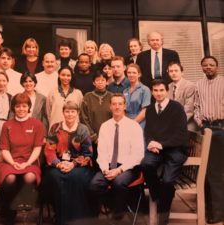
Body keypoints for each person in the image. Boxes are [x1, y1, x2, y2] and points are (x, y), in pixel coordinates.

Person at [89, 93, 144, 219]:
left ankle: (117, 217)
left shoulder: (134, 126)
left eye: (120, 104)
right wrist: (105, 170)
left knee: (118, 182)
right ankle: (101, 211)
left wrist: (119, 170)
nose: (117, 107)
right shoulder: (105, 126)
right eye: (114, 104)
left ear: (125, 106)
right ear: (110, 106)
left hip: (128, 167)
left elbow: (138, 155)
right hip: (108, 166)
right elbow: (101, 152)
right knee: (93, 185)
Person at [141, 79, 188, 225]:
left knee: (168, 182)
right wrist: (150, 143)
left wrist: (161, 144)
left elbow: (181, 135)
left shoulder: (177, 107)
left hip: (174, 149)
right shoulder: (149, 109)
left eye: (161, 90)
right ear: (152, 92)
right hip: (156, 149)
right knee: (146, 165)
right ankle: (158, 194)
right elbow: (147, 131)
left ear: (167, 91)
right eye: (155, 91)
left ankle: (162, 219)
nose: (158, 93)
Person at [0, 93, 45, 225]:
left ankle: (14, 202)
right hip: (9, 161)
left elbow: (37, 148)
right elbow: (4, 149)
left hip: (30, 161)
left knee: (29, 177)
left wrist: (27, 163)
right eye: (18, 106)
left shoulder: (37, 124)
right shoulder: (7, 125)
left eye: (24, 106)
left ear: (29, 107)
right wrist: (13, 163)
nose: (21, 109)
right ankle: (9, 209)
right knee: (10, 178)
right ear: (13, 108)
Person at [43, 101, 93, 225]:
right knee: (55, 177)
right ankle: (60, 218)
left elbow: (87, 153)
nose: (70, 114)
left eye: (73, 111)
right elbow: (49, 150)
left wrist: (73, 164)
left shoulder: (83, 129)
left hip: (78, 164)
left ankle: (78, 219)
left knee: (75, 177)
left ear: (77, 113)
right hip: (58, 164)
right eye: (67, 111)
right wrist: (58, 164)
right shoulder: (55, 127)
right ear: (63, 113)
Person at [194, 56, 224, 224]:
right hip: (206, 130)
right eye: (205, 65)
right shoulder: (198, 85)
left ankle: (218, 212)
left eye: (211, 65)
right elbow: (196, 108)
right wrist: (201, 124)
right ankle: (212, 210)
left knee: (218, 172)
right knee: (207, 172)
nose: (208, 67)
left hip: (222, 129)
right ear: (202, 68)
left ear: (217, 67)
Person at [80, 71, 113, 169]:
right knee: (93, 164)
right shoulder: (87, 97)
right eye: (97, 80)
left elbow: (115, 117)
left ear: (107, 82)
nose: (100, 82)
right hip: (92, 138)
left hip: (109, 137)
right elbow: (83, 117)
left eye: (103, 80)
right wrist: (94, 137)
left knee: (108, 163)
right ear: (93, 82)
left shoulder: (112, 96)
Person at [167, 62, 196, 131]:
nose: (173, 73)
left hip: (188, 122)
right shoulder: (168, 87)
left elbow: (189, 109)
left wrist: (177, 124)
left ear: (182, 73)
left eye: (176, 70)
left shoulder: (190, 86)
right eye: (171, 71)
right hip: (172, 122)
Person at [123, 63, 151, 129]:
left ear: (139, 74)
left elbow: (145, 110)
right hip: (126, 122)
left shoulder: (145, 89)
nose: (131, 75)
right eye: (129, 72)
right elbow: (123, 109)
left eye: (134, 73)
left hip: (139, 122)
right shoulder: (125, 91)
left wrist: (133, 123)